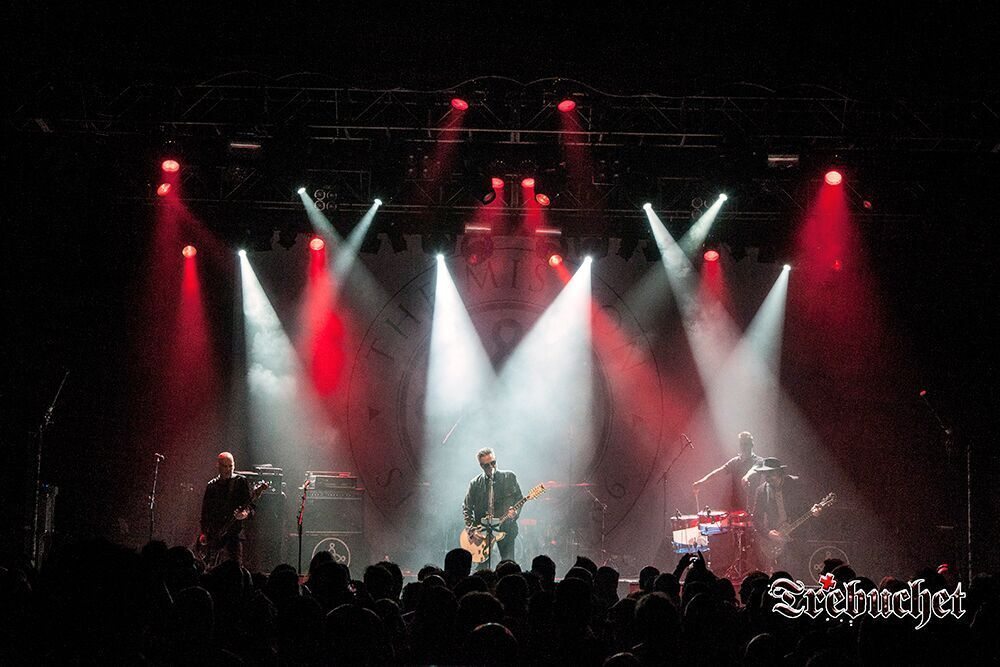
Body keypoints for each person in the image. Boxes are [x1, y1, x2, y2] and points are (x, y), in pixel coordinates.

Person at [750, 457, 819, 575]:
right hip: (776, 540)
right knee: (780, 574)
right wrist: (768, 533)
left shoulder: (795, 483)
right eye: (765, 473)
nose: (767, 477)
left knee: (799, 572)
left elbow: (810, 503)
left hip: (798, 535)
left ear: (779, 472)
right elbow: (756, 518)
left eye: (770, 473)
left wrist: (816, 510)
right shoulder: (761, 491)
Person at [462, 447, 523, 566]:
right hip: (483, 532)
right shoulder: (475, 483)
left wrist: (515, 513)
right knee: (482, 568)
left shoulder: (509, 477)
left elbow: (519, 498)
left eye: (493, 463)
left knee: (508, 564)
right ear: (481, 466)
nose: (491, 467)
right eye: (487, 465)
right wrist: (472, 529)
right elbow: (467, 507)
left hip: (506, 528)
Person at [198, 451, 253, 566]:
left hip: (234, 534)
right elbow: (205, 512)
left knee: (235, 567)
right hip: (215, 534)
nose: (228, 469)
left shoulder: (240, 482)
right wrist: (204, 532)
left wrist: (244, 514)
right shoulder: (212, 485)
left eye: (231, 466)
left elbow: (250, 507)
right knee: (211, 567)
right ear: (218, 466)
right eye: (225, 466)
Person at [691, 431, 763, 509]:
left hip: (754, 505)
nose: (743, 447)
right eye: (741, 444)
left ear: (752, 444)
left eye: (746, 444)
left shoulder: (759, 460)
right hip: (736, 505)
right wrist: (702, 482)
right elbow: (719, 472)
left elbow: (754, 469)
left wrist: (746, 477)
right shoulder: (734, 462)